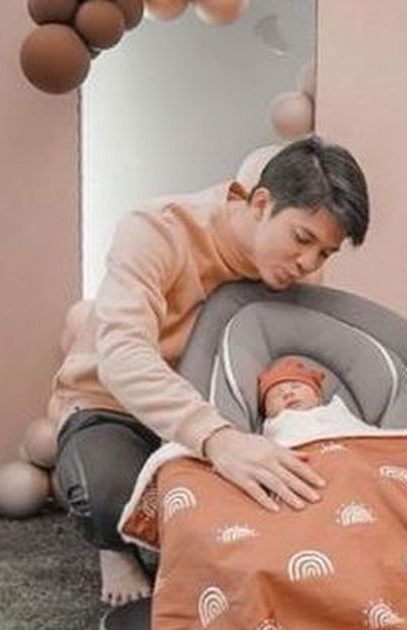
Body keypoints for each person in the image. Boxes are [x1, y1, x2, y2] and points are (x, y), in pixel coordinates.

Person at [48, 136, 370, 607]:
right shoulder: (156, 230)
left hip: (221, 410)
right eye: (302, 239)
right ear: (261, 203)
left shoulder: (294, 269)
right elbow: (122, 355)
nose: (308, 263)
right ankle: (113, 545)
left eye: (325, 253)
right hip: (114, 408)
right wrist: (219, 441)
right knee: (108, 497)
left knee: (292, 493)